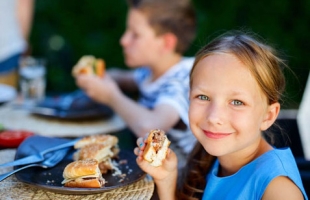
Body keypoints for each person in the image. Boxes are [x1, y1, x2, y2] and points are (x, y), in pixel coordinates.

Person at [134, 31, 309, 199]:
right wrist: (166, 180)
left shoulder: (278, 189)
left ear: (268, 116)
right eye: (203, 97)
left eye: (237, 102)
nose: (214, 117)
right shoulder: (211, 160)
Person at [75, 0, 197, 160]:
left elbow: (151, 127)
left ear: (166, 43)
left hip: (177, 179)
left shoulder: (181, 81)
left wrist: (111, 96)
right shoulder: (151, 72)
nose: (124, 40)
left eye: (135, 34)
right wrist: (96, 78)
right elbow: (121, 78)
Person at [0, 0, 34, 88]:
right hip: (8, 49)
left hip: (7, 51)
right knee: (7, 99)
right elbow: (24, 4)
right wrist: (24, 42)